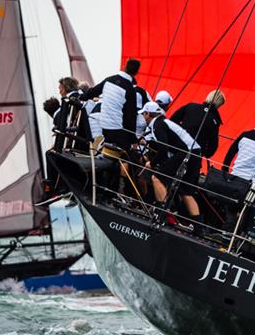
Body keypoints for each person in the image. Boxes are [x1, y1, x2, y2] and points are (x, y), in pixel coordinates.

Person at [141, 101, 203, 230]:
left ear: (148, 114)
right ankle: (198, 228)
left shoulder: (158, 124)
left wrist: (151, 163)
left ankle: (161, 214)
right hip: (194, 153)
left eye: (143, 114)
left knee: (156, 178)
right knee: (186, 191)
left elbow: (163, 148)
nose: (143, 117)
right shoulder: (163, 122)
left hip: (186, 153)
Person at [81, 59, 140, 151]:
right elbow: (131, 116)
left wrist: (81, 97)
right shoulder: (130, 89)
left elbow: (93, 92)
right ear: (136, 73)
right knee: (125, 155)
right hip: (117, 128)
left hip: (104, 125)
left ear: (124, 66)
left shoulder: (109, 80)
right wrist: (133, 139)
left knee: (111, 152)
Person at [170, 89, 225, 161]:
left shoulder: (191, 106)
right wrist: (205, 153)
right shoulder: (214, 121)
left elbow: (172, 121)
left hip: (175, 147)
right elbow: (213, 146)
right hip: (194, 156)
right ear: (219, 104)